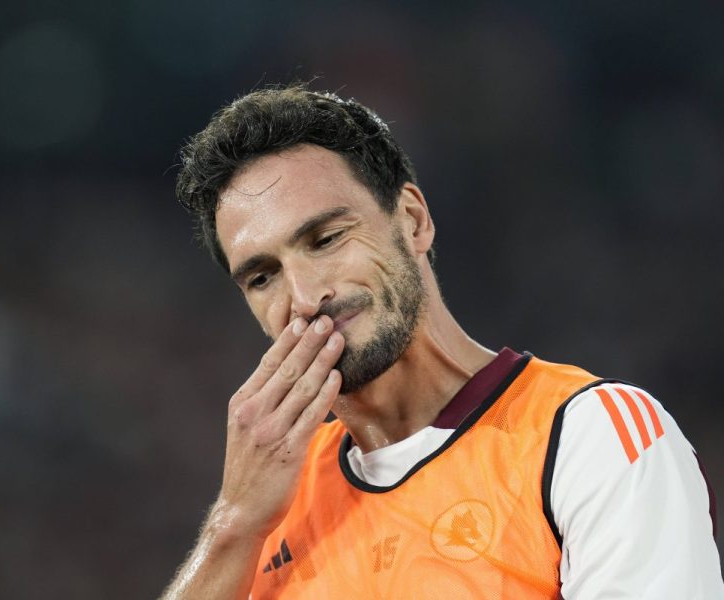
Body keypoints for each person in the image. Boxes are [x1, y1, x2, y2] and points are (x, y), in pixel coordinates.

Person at [161, 84, 723, 599]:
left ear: (412, 219)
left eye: (326, 239)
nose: (305, 298)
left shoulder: (590, 436)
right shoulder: (268, 503)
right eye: (263, 277)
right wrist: (234, 524)